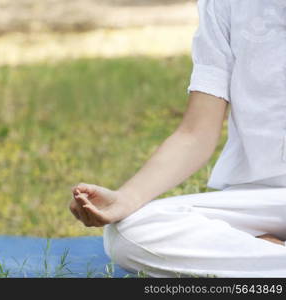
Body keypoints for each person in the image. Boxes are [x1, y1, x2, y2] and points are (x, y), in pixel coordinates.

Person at [69, 0, 286, 277]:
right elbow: (195, 134)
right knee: (129, 233)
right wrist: (125, 198)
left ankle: (264, 256)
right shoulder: (225, 5)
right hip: (258, 201)